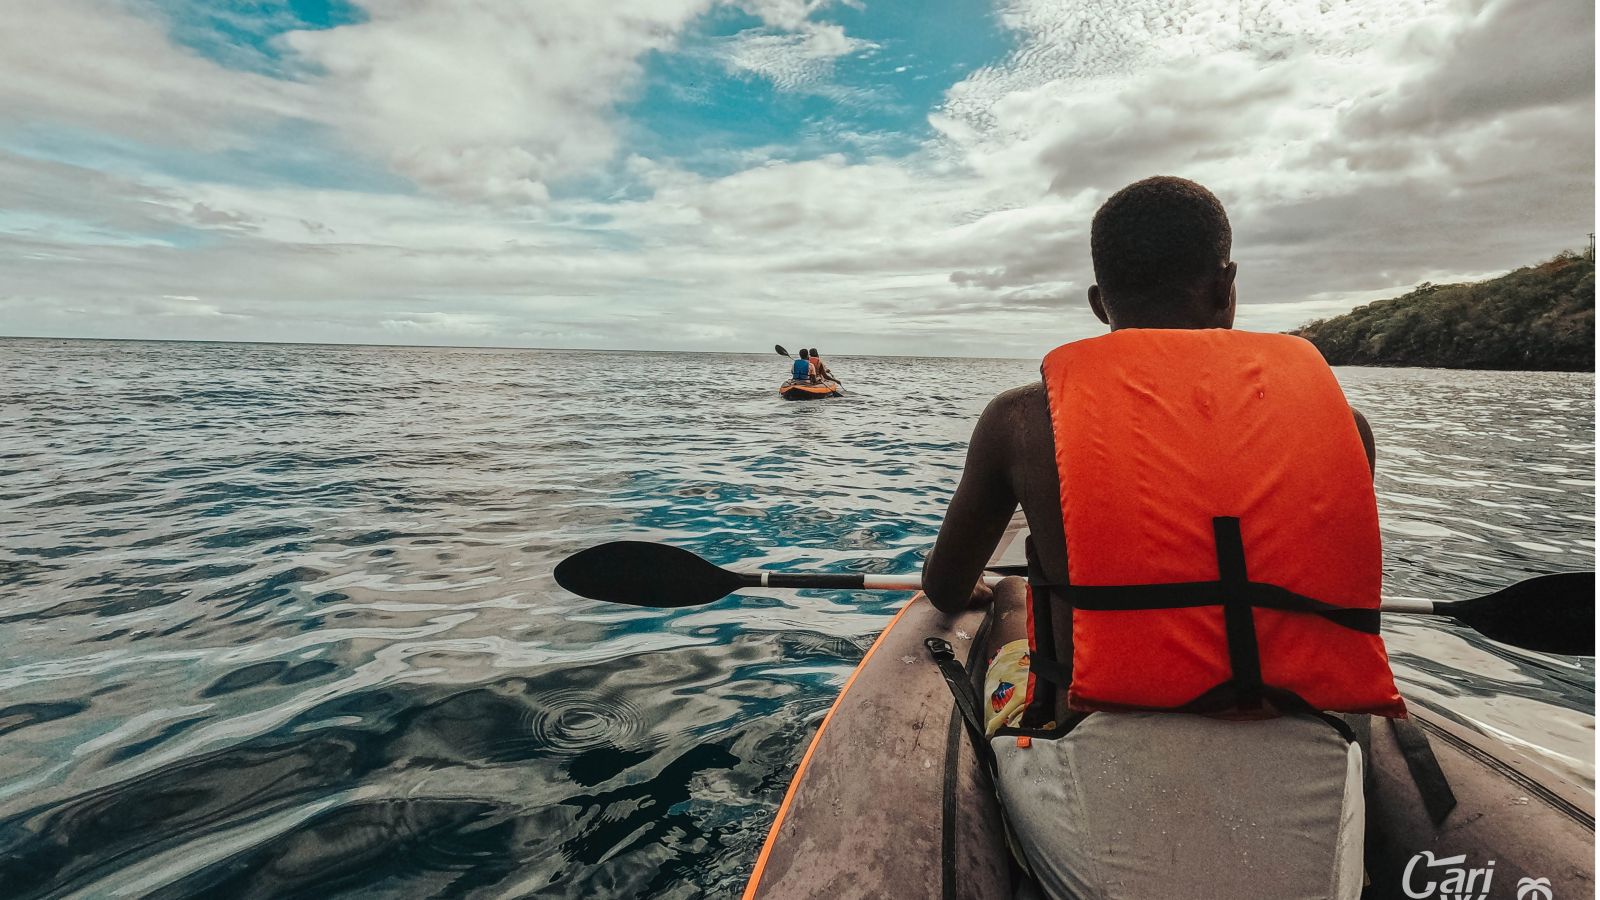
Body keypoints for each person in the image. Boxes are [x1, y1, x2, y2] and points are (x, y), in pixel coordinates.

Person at [922, 176, 1400, 900]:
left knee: (1014, 609)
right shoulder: (1349, 428)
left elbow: (945, 587)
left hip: (1097, 804)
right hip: (1314, 798)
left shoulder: (1020, 420)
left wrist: (1000, 592)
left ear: (1098, 303)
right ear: (1226, 287)